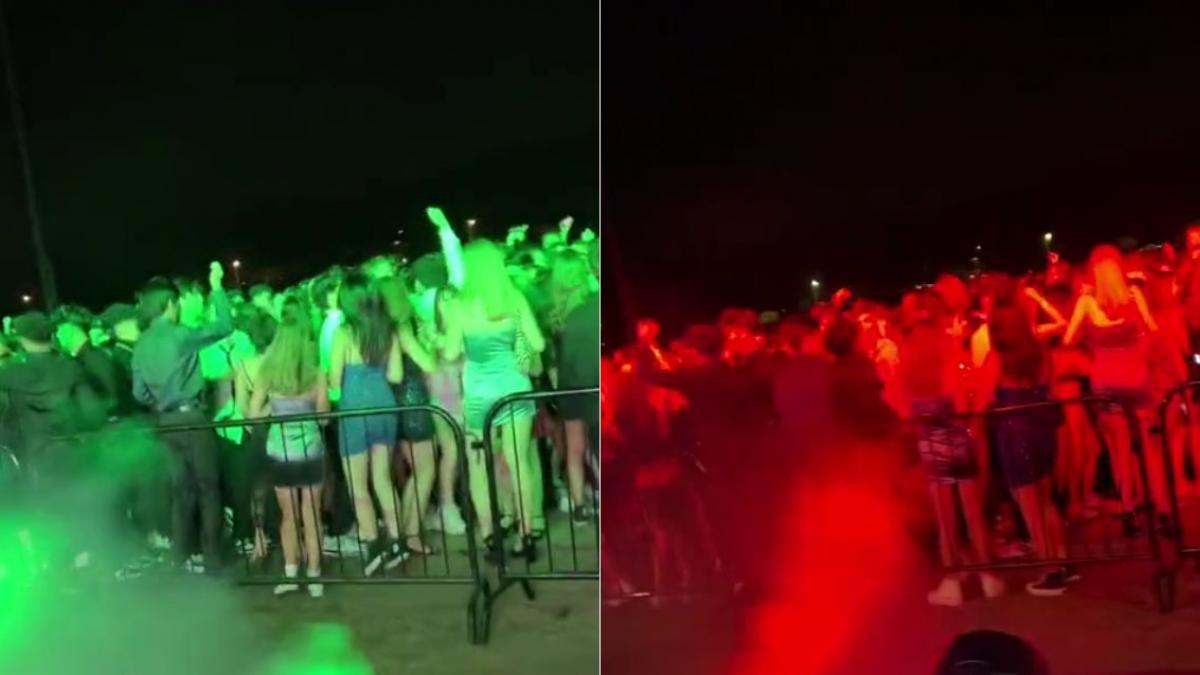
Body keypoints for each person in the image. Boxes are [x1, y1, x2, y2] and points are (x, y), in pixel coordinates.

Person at [442, 239, 546, 559]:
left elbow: (450, 352)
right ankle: (526, 535)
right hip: (514, 385)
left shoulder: (459, 305)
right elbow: (539, 344)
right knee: (519, 464)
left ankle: (490, 535)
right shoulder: (513, 297)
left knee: (478, 466)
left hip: (480, 392)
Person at [132, 263, 233, 573]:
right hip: (194, 420)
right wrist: (216, 287)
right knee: (209, 489)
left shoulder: (141, 345)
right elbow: (225, 325)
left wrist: (161, 402)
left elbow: (139, 393)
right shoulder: (182, 335)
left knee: (180, 492)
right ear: (169, 305)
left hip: (165, 424)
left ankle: (180, 557)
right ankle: (213, 559)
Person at [1064, 244, 1162, 528]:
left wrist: (1094, 340)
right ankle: (1159, 504)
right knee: (1149, 444)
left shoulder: (1087, 302)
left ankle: (1128, 505)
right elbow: (1152, 329)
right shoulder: (1133, 294)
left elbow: (1069, 339)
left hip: (1105, 378)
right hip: (1135, 375)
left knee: (1118, 447)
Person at [330, 272, 407, 575]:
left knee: (357, 486)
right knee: (383, 480)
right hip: (385, 408)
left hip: (353, 413)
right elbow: (396, 376)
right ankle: (398, 541)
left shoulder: (343, 334)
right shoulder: (388, 330)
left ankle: (374, 546)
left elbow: (335, 381)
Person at [250, 298, 329, 597]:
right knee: (312, 513)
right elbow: (323, 417)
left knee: (288, 516)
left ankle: (291, 573)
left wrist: (274, 410)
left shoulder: (267, 371)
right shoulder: (315, 372)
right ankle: (315, 576)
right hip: (310, 446)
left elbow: (252, 414)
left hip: (280, 448)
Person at [548, 250, 600, 524]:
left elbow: (554, 360)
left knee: (574, 449)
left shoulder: (555, 312)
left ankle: (579, 507)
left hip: (568, 387)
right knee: (597, 445)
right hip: (590, 384)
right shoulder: (591, 305)